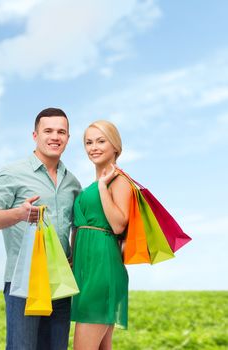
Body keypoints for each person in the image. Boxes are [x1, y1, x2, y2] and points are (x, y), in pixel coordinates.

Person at [0, 108, 81, 350]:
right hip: (24, 283)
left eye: (61, 132)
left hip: (61, 286)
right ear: (35, 135)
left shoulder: (73, 183)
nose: (55, 136)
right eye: (48, 131)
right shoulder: (13, 173)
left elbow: (74, 228)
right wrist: (18, 214)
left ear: (68, 137)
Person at [71, 120, 132, 350]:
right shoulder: (91, 185)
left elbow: (118, 225)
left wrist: (102, 188)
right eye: (88, 142)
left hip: (103, 271)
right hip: (87, 273)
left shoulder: (120, 182)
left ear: (115, 146)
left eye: (100, 141)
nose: (93, 147)